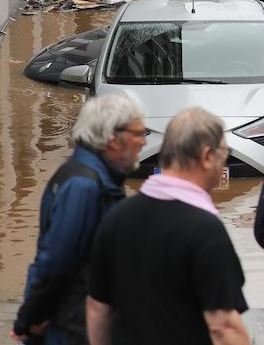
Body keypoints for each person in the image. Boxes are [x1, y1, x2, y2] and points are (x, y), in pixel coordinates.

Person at [86, 107, 249, 345]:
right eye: (225, 152)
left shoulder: (116, 217)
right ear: (206, 156)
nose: (225, 159)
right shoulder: (206, 230)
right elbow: (224, 326)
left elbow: (97, 308)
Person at [13, 97, 146, 345]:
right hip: (73, 325)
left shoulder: (93, 178)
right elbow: (56, 261)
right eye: (138, 133)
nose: (144, 141)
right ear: (112, 138)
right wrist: (30, 317)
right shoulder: (83, 187)